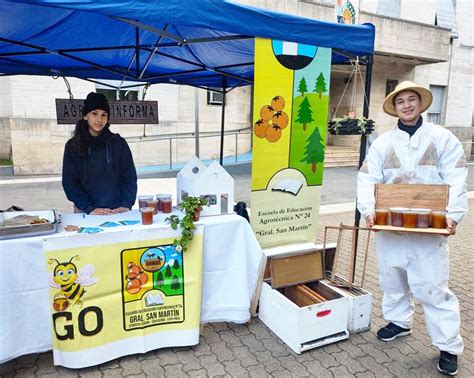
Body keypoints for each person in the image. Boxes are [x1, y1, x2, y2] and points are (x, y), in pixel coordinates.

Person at [357, 81, 468, 376]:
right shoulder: (382, 143)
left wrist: (453, 215)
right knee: (392, 279)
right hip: (390, 223)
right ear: (394, 108)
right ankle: (399, 322)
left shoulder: (442, 139)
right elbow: (367, 179)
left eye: (411, 100)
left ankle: (447, 346)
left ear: (421, 104)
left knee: (431, 286)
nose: (406, 105)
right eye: (400, 101)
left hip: (428, 225)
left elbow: (457, 176)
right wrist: (368, 211)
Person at [62, 92, 137, 215]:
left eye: (104, 115)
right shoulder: (73, 146)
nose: (99, 119)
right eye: (94, 113)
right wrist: (89, 208)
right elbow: (70, 183)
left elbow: (130, 177)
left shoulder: (118, 143)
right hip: (85, 212)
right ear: (85, 116)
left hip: (116, 212)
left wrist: (127, 204)